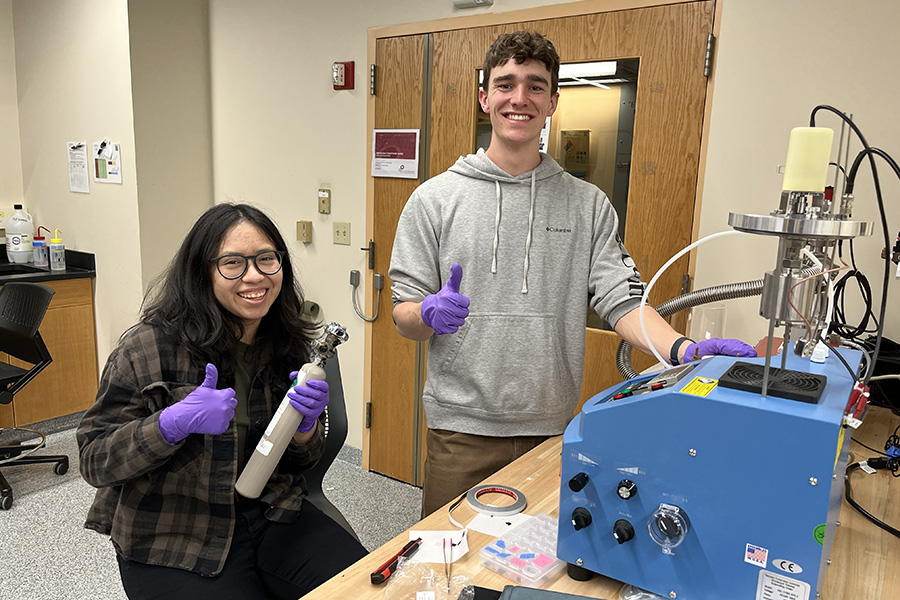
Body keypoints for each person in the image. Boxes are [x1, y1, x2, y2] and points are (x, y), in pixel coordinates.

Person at [388, 31, 756, 516]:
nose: (519, 99)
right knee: (452, 563)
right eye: (505, 84)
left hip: (554, 427)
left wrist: (683, 351)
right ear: (484, 98)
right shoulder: (433, 200)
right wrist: (428, 314)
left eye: (535, 86)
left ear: (553, 101)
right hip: (462, 430)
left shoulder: (588, 205)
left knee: (539, 571)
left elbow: (623, 302)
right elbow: (402, 314)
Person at [77, 203, 367, 599]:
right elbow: (95, 460)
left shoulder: (287, 343)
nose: (255, 276)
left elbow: (303, 462)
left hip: (269, 510)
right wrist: (168, 424)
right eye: (233, 263)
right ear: (202, 272)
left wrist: (305, 431)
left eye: (267, 259)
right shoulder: (147, 347)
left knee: (368, 590)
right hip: (175, 530)